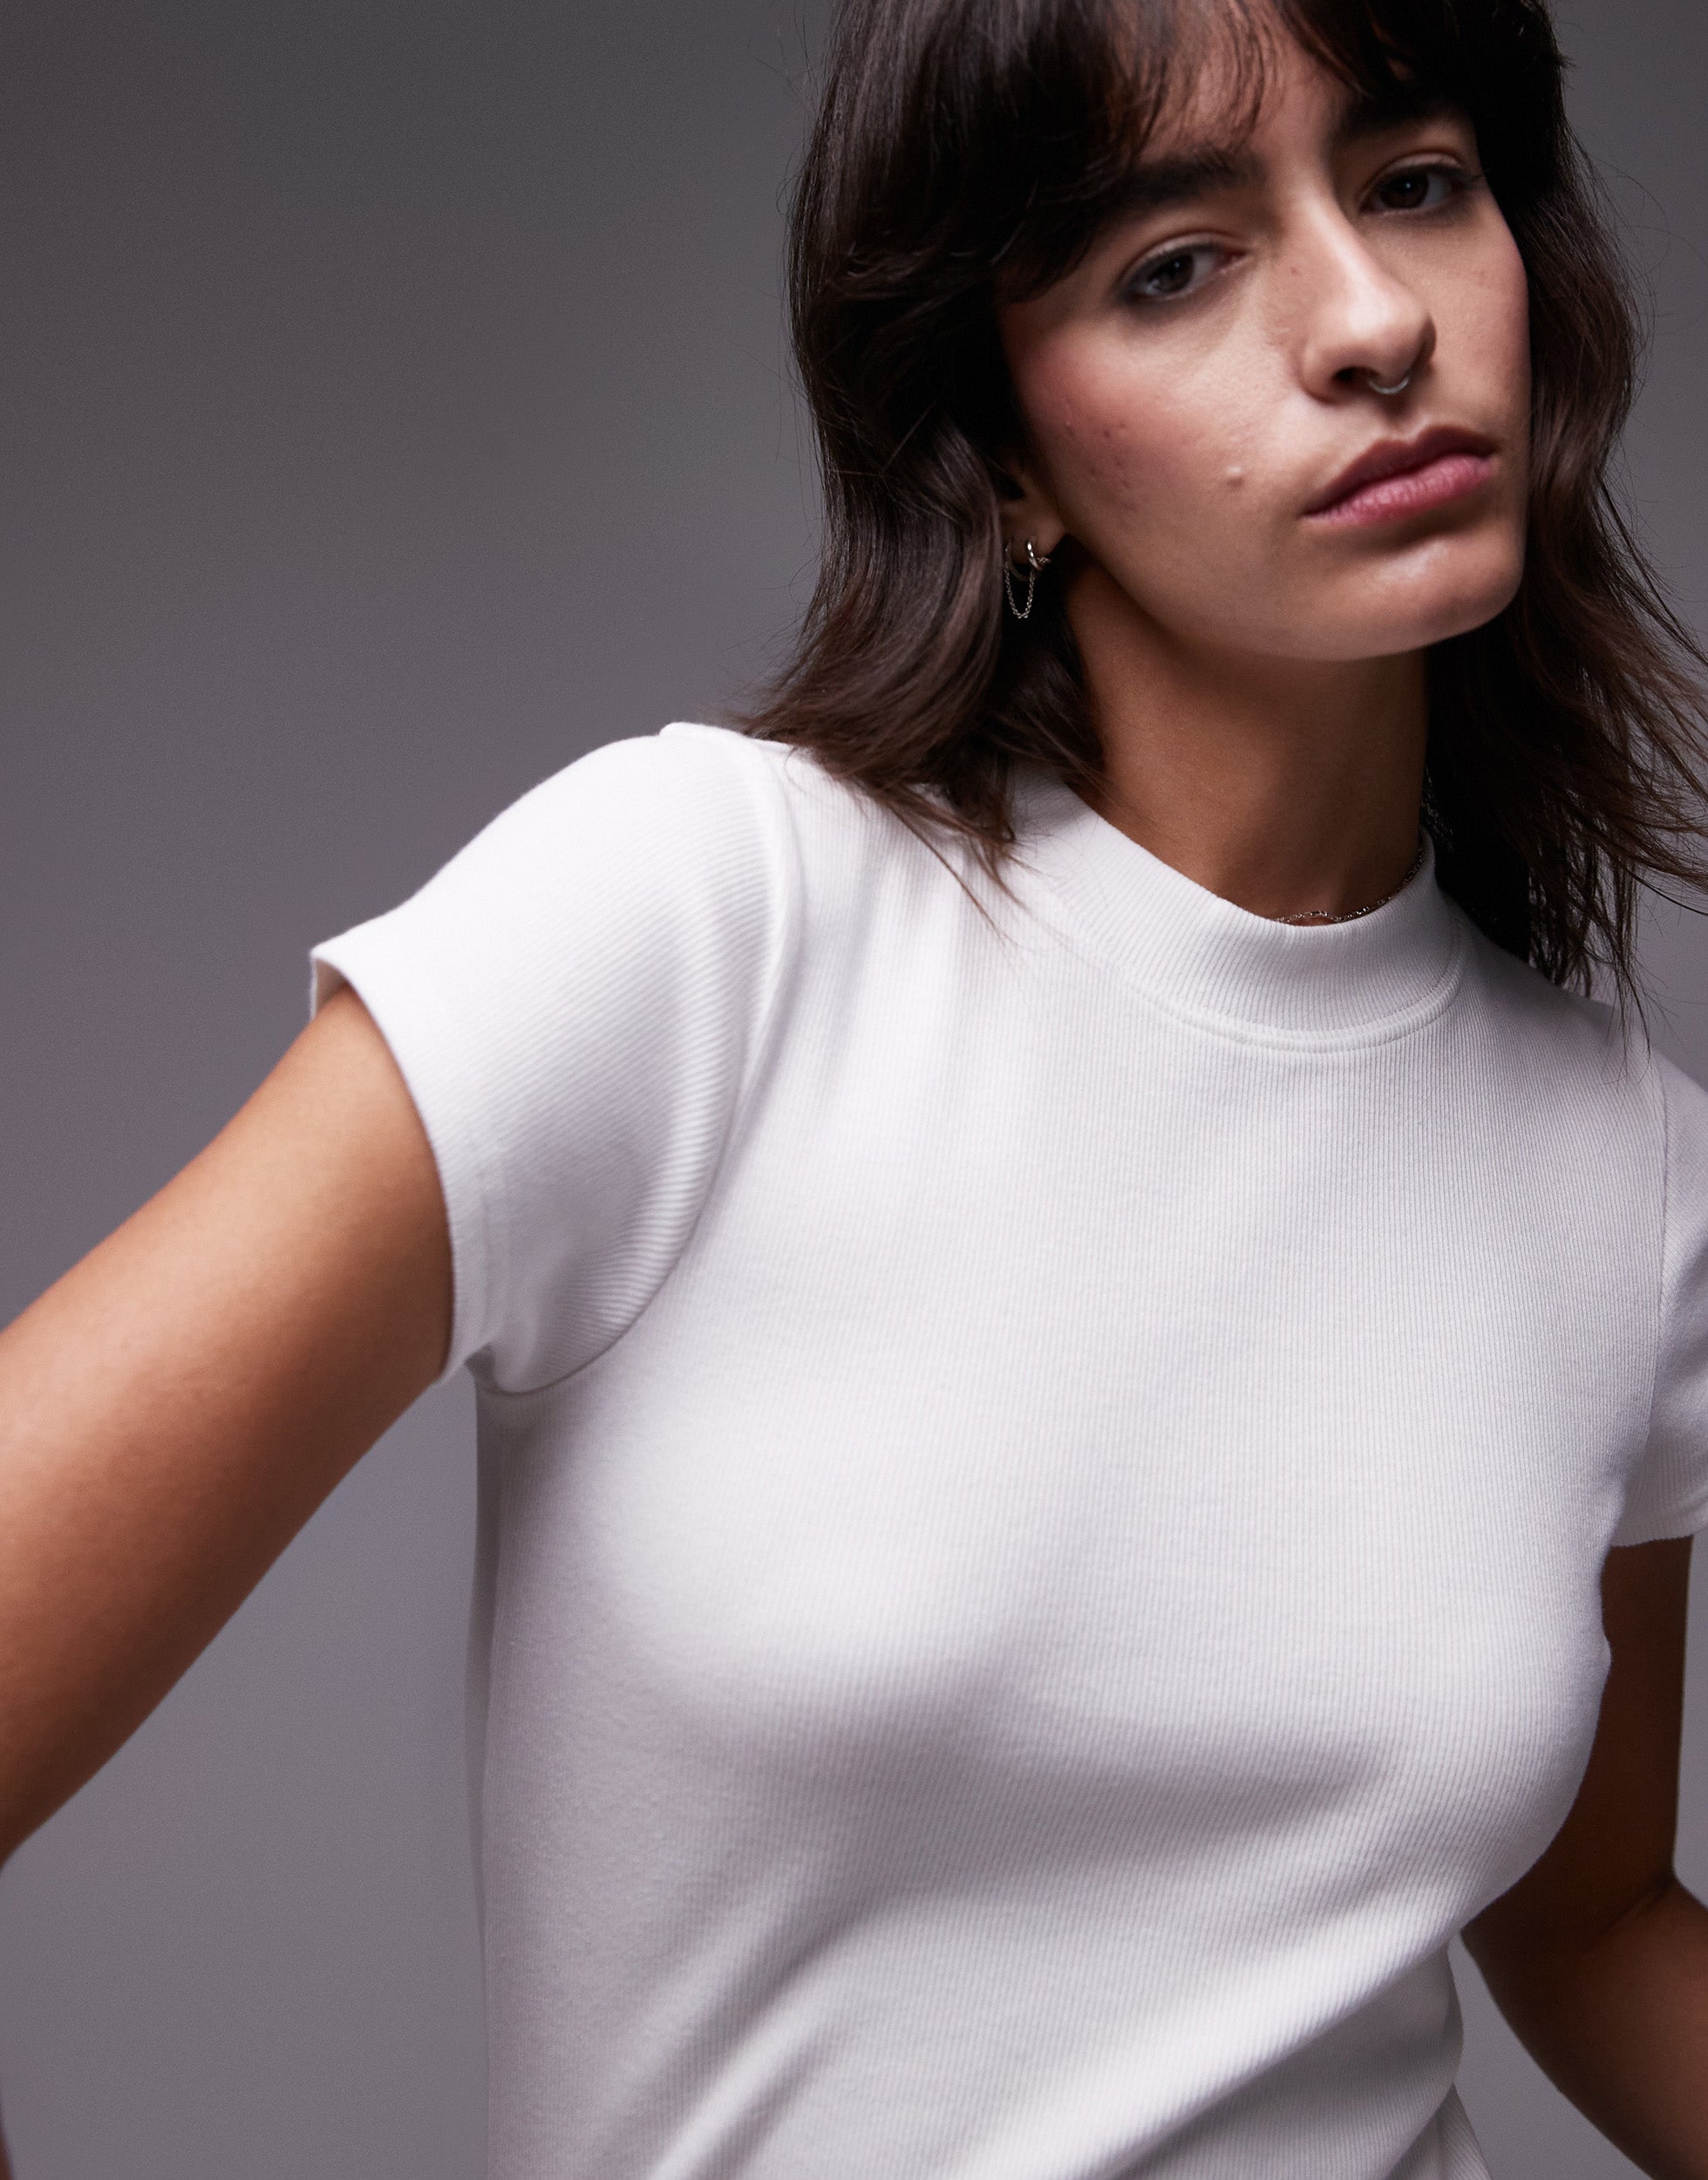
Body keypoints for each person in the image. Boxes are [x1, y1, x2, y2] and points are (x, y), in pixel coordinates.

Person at [2, 0, 1705, 2173]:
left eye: (1414, 184)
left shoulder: (1623, 1170)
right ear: (997, 450)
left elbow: (1585, 1917)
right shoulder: (701, 922)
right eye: (1173, 264)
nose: (1372, 321)